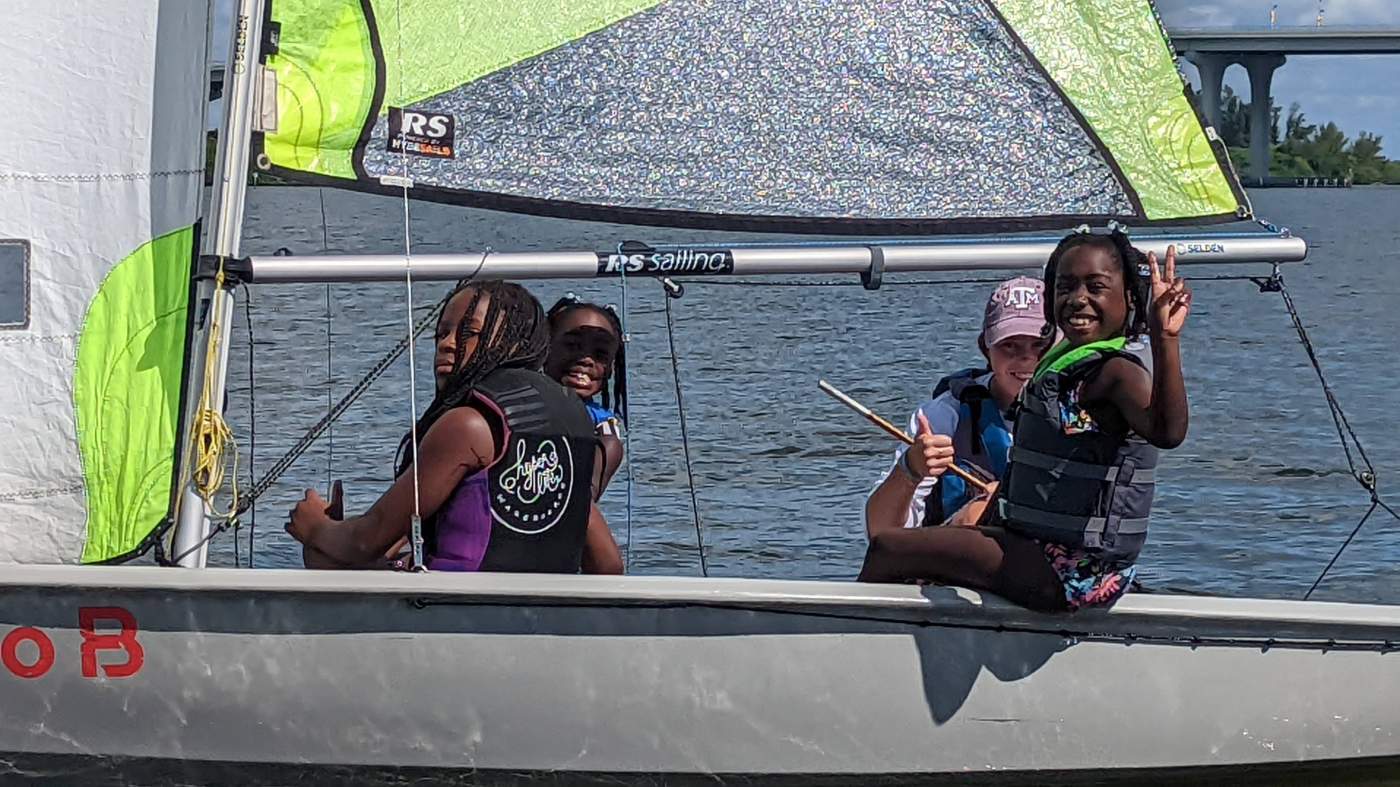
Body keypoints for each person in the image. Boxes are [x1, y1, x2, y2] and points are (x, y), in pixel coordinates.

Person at [859, 231, 1191, 612]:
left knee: (889, 548)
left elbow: (1168, 432)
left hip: (1068, 574)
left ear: (1130, 296)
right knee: (928, 556)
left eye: (1096, 286)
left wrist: (1165, 338)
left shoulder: (1115, 371)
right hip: (1048, 557)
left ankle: (851, 645)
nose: (1079, 298)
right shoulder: (1070, 365)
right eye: (1065, 287)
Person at [286, 280, 624, 574]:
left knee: (326, 557)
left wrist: (315, 526)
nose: (447, 344)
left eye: (469, 333)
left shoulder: (467, 425)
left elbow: (363, 542)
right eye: (442, 333)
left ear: (515, 342)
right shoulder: (578, 427)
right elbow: (608, 565)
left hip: (456, 612)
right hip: (536, 618)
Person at [864, 277, 1049, 539]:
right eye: (1009, 345)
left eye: (1039, 344)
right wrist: (910, 468)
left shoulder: (1083, 410)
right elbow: (881, 534)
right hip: (968, 558)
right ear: (986, 348)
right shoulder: (942, 416)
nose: (1027, 357)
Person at [544, 295, 627, 500]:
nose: (586, 360)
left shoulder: (603, 428)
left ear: (610, 369)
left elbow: (584, 503)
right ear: (545, 347)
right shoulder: (519, 398)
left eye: (600, 354)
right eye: (572, 346)